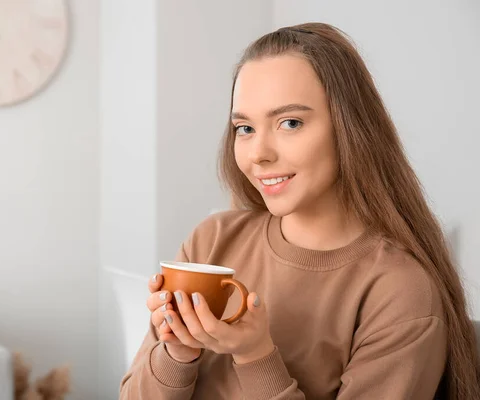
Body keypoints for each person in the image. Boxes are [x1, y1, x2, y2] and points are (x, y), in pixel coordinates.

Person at [119, 22, 480, 399]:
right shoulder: (212, 241)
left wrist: (255, 355)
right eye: (244, 128)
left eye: (290, 123)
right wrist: (177, 353)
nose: (259, 153)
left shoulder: (399, 290)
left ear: (349, 128)